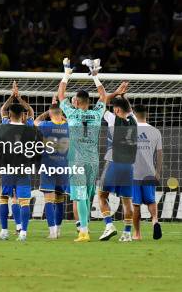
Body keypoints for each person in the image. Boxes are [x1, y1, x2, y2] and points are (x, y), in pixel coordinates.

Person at [57, 58, 116, 242]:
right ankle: (85, 227)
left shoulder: (72, 113)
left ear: (75, 101)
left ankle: (83, 231)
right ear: (88, 102)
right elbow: (103, 96)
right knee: (88, 196)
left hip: (77, 160)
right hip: (92, 160)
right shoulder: (97, 113)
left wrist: (66, 75)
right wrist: (96, 77)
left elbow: (60, 95)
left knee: (81, 196)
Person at [0, 103, 41, 242]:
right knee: (24, 202)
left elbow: (2, 109)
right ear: (22, 115)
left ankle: (4, 231)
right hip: (23, 168)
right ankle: (23, 233)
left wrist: (12, 96)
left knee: (3, 199)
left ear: (9, 115)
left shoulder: (3, 127)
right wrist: (20, 98)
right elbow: (31, 112)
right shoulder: (30, 129)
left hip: (7, 169)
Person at [99, 90, 137, 242]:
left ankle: (109, 226)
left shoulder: (113, 120)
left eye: (114, 108)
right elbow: (129, 109)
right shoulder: (133, 119)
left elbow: (100, 104)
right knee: (127, 200)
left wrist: (115, 93)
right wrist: (123, 96)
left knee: (101, 196)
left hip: (114, 163)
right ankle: (127, 233)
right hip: (129, 166)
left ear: (117, 110)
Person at [34, 96, 69, 239]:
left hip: (48, 166)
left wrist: (47, 112)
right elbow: (65, 118)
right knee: (60, 199)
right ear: (61, 114)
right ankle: (59, 230)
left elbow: (35, 122)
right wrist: (58, 108)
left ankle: (52, 231)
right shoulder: (68, 125)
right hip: (63, 167)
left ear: (50, 114)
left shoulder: (46, 125)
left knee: (49, 199)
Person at [131, 104, 163, 240]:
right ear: (147, 115)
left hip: (134, 172)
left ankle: (137, 234)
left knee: (136, 204)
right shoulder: (155, 131)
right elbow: (160, 154)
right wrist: (158, 172)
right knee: (151, 201)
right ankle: (155, 220)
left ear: (134, 114)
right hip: (150, 172)